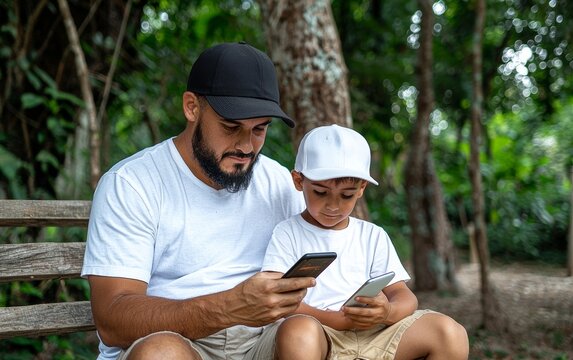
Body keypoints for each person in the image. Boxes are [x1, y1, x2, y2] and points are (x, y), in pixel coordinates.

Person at [82, 42, 330, 360]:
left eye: (260, 129)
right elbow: (112, 320)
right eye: (231, 127)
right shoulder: (132, 184)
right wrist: (226, 308)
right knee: (161, 355)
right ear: (192, 108)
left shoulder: (278, 182)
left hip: (261, 342)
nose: (246, 146)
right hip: (178, 342)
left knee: (304, 332)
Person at [262, 124, 470, 359]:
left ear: (361, 189)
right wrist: (335, 320)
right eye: (320, 192)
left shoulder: (372, 235)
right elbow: (278, 300)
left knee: (450, 333)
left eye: (347, 195)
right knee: (298, 331)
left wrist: (387, 312)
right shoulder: (287, 233)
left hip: (374, 334)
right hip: (320, 334)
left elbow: (404, 296)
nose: (333, 205)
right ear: (299, 181)